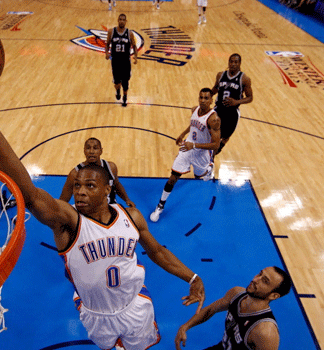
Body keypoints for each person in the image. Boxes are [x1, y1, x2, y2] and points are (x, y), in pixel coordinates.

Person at [0, 83, 206, 350]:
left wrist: (192, 277)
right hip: (94, 311)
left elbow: (158, 251)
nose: (79, 191)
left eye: (89, 185)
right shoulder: (68, 220)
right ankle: (119, 342)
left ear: (108, 189)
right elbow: (29, 190)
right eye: (77, 185)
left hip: (133, 304)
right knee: (111, 341)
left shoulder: (130, 216)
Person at [174, 266, 292, 350]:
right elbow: (210, 310)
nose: (255, 279)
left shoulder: (265, 331)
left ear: (273, 295)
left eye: (264, 281)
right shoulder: (237, 294)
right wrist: (186, 326)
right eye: (259, 273)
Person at [149, 88, 220, 223]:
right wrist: (182, 134)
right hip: (187, 148)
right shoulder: (194, 110)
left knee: (200, 177)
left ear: (211, 100)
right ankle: (160, 205)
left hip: (201, 152)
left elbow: (216, 145)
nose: (203, 101)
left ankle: (209, 167)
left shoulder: (214, 119)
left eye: (206, 98)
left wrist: (194, 146)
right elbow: (192, 125)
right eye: (201, 97)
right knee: (172, 178)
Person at [59, 137, 135, 208]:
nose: (91, 151)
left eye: (95, 148)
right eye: (88, 148)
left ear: (101, 151)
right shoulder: (75, 174)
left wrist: (127, 199)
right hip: (87, 212)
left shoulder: (111, 167)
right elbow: (63, 201)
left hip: (110, 209)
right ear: (84, 151)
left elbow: (116, 184)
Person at [210, 53, 253, 156]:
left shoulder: (244, 79)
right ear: (228, 62)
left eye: (235, 62)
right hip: (218, 109)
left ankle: (219, 147)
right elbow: (216, 87)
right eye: (231, 61)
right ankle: (210, 157)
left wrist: (236, 102)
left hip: (232, 113)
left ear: (239, 63)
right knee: (212, 135)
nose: (233, 64)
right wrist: (209, 95)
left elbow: (250, 98)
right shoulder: (220, 75)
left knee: (225, 137)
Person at [105, 13, 138, 107]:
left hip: (125, 62)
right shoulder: (111, 32)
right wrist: (106, 53)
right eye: (120, 19)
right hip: (115, 61)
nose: (122, 21)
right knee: (116, 82)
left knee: (125, 82)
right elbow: (107, 44)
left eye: (123, 19)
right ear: (117, 20)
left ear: (126, 21)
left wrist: (136, 56)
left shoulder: (129, 33)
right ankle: (118, 91)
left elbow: (134, 46)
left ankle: (125, 97)